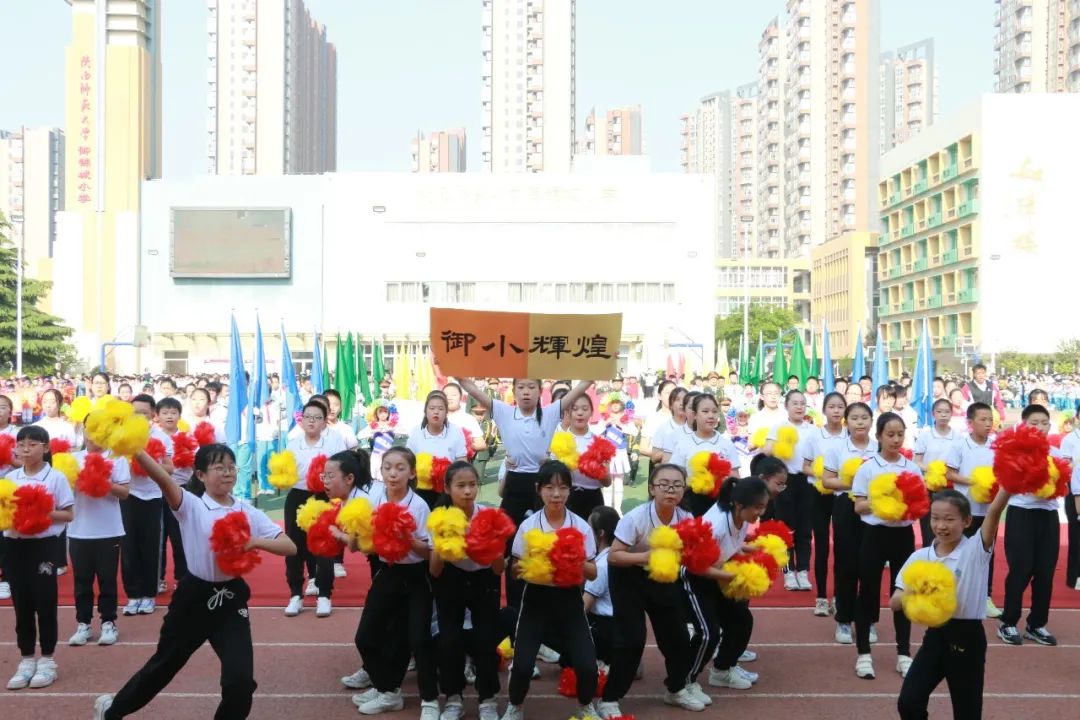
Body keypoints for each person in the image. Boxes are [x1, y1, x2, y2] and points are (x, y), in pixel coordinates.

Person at [92, 444, 296, 720]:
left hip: (230, 600)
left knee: (240, 681)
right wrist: (135, 449)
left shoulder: (248, 512)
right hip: (193, 599)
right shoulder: (191, 505)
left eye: (231, 467)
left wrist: (255, 542)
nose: (227, 473)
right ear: (200, 475)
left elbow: (290, 546)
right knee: (163, 667)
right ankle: (111, 711)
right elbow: (162, 479)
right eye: (219, 467)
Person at [455, 377, 592, 606]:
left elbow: (579, 388)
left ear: (541, 391)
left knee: (545, 540)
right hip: (515, 483)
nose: (526, 392)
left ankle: (547, 597)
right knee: (507, 545)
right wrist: (457, 375)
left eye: (531, 387)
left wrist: (595, 372)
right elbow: (474, 392)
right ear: (514, 391)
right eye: (521, 387)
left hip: (541, 484)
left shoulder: (549, 413)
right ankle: (513, 604)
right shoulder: (503, 411)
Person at [894, 487, 1009, 720]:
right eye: (935, 518)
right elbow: (894, 602)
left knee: (967, 712)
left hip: (968, 637)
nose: (941, 526)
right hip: (935, 637)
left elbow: (994, 512)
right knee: (909, 701)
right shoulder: (920, 557)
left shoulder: (975, 549)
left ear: (966, 521)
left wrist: (1007, 486)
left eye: (949, 519)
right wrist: (916, 590)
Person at [596, 464, 702, 717]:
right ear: (652, 488)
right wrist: (648, 556)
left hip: (663, 578)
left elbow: (689, 554)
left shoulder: (685, 519)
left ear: (684, 489)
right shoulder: (636, 518)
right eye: (664, 484)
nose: (670, 489)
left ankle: (675, 689)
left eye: (677, 485)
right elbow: (614, 557)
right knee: (631, 639)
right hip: (628, 577)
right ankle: (609, 699)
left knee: (677, 637)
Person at [504, 461, 598, 720]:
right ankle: (515, 706)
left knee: (587, 665)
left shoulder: (580, 526)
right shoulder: (529, 526)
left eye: (563, 488)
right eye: (549, 488)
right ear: (538, 489)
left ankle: (586, 706)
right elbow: (513, 570)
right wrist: (534, 562)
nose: (556, 494)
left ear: (570, 490)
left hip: (569, 598)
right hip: (536, 599)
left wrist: (568, 558)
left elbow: (593, 572)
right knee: (522, 665)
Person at [352, 448, 437, 716]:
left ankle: (430, 701)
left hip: (416, 577)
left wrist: (407, 538)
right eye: (387, 467)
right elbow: (363, 543)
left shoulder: (419, 506)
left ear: (412, 473)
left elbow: (428, 551)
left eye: (400, 468)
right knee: (365, 636)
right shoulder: (376, 497)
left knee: (417, 640)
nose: (393, 473)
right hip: (387, 573)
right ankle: (387, 688)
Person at [428, 462, 503, 720]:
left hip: (484, 581)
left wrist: (493, 545)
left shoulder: (488, 516)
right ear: (447, 488)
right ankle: (452, 698)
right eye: (461, 486)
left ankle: (488, 699)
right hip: (451, 580)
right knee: (449, 640)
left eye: (472, 485)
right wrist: (442, 543)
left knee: (485, 641)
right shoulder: (439, 518)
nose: (468, 491)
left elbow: (498, 570)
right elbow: (435, 571)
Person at [851, 412, 922, 680]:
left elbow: (918, 507)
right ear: (878, 436)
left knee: (902, 593)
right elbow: (859, 506)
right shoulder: (868, 467)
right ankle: (864, 655)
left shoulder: (911, 468)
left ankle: (904, 654)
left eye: (899, 434)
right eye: (889, 434)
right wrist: (883, 500)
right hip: (874, 534)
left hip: (902, 536)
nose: (895, 439)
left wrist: (905, 505)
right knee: (867, 591)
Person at [4, 426, 75, 690]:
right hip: (14, 545)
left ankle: (47, 659)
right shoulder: (10, 477)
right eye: (21, 443)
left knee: (44, 601)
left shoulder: (55, 477)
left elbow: (68, 514)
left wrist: (38, 512)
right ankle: (26, 659)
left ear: (45, 448)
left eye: (32, 443)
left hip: (44, 546)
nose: (25, 448)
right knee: (21, 604)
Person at [998, 404, 1060, 646]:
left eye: (1044, 423)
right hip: (1021, 513)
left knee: (1045, 572)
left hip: (1048, 515)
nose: (1040, 427)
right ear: (1023, 425)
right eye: (1034, 423)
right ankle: (1008, 622)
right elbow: (1007, 481)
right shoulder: (1013, 450)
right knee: (1021, 568)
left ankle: (1037, 624)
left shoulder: (1055, 452)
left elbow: (1062, 485)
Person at [701, 476, 771, 690]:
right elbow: (700, 567)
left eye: (764, 507)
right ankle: (683, 682)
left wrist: (759, 549)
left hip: (719, 573)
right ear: (740, 505)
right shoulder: (717, 524)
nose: (761, 513)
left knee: (741, 621)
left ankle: (725, 667)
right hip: (700, 580)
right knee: (709, 633)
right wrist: (736, 577)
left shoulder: (740, 517)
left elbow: (733, 546)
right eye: (757, 507)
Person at [821, 402, 877, 645]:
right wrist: (854, 483)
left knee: (871, 566)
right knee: (846, 564)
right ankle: (844, 619)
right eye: (854, 418)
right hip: (845, 507)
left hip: (874, 509)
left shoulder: (879, 448)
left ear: (872, 421)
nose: (860, 422)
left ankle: (869, 620)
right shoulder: (837, 448)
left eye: (864, 417)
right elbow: (827, 481)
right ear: (847, 422)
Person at [283, 400, 346, 618]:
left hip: (324, 497)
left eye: (317, 418)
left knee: (324, 547)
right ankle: (295, 595)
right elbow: (283, 476)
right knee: (294, 547)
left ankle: (324, 596)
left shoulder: (332, 444)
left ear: (324, 422)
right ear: (301, 420)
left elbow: (341, 471)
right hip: (297, 497)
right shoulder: (292, 444)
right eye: (307, 417)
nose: (311, 421)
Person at [68, 438, 131, 648]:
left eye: (99, 431)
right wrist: (78, 479)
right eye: (89, 430)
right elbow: (63, 492)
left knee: (107, 579)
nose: (94, 437)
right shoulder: (72, 459)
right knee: (82, 581)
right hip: (79, 530)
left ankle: (108, 622)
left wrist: (103, 481)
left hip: (109, 530)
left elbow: (124, 493)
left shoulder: (117, 458)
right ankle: (83, 624)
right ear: (84, 433)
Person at [944, 402, 1000, 618]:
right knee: (960, 552)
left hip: (988, 511)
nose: (988, 424)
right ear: (970, 423)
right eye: (983, 419)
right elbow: (950, 474)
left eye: (990, 420)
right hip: (965, 510)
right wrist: (975, 481)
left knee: (987, 554)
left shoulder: (995, 445)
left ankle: (985, 596)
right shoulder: (960, 445)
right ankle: (956, 594)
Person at [121, 396, 175, 617]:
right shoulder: (122, 436)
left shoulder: (161, 438)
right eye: (135, 412)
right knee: (128, 547)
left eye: (144, 413)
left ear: (153, 415)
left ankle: (149, 595)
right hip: (127, 496)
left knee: (151, 546)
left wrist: (151, 464)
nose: (139, 417)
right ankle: (133, 595)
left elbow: (170, 468)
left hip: (152, 497)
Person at [800, 391, 848, 614]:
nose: (836, 410)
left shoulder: (850, 436)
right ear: (824, 410)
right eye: (832, 406)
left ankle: (839, 597)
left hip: (842, 495)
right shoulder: (814, 436)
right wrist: (821, 474)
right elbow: (805, 466)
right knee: (820, 545)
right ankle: (821, 597)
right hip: (818, 494)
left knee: (841, 546)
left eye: (840, 406)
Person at [765, 390, 815, 591]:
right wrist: (781, 444)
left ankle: (803, 571)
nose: (799, 407)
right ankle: (788, 572)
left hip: (807, 482)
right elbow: (767, 451)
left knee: (805, 528)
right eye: (795, 403)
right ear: (786, 406)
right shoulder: (778, 427)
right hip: (784, 482)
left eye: (802, 403)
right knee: (787, 528)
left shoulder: (812, 430)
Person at [667, 393, 740, 517]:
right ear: (695, 415)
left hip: (720, 506)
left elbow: (735, 478)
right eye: (705, 411)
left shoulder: (726, 444)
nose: (711, 416)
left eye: (714, 411)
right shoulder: (683, 444)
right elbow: (674, 477)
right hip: (689, 505)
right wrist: (695, 481)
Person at [405, 390, 468, 508]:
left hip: (447, 488)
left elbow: (462, 460)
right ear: (425, 411)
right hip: (420, 489)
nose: (436, 412)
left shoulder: (455, 432)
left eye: (440, 409)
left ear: (446, 413)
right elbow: (407, 459)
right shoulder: (416, 432)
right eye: (432, 408)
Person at [912, 399, 958, 547]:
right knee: (928, 527)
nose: (943, 415)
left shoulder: (959, 437)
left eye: (946, 412)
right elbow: (917, 460)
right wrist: (931, 470)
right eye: (939, 412)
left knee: (949, 526)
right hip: (928, 488)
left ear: (951, 414)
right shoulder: (925, 435)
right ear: (933, 414)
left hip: (950, 489)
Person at [560, 394, 610, 520]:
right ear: (568, 412)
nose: (580, 413)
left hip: (593, 498)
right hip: (566, 498)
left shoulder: (598, 442)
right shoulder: (559, 440)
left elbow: (607, 482)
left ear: (591, 412)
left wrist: (598, 471)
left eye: (585, 409)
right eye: (575, 409)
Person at [583, 505, 618, 672]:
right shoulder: (621, 557)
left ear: (600, 533)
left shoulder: (600, 566)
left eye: (589, 529)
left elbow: (583, 608)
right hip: (623, 626)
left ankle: (602, 661)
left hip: (604, 629)